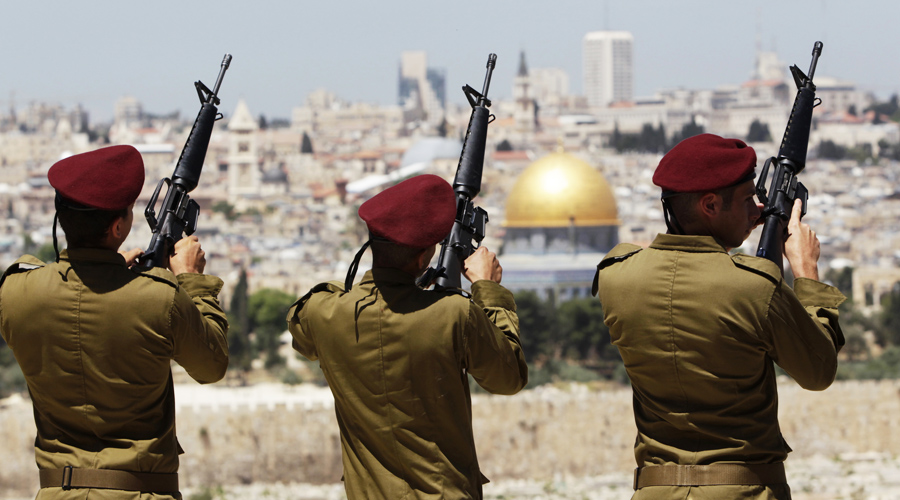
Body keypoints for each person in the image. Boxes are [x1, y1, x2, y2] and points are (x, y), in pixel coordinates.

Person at [592, 134, 844, 500]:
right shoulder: (754, 287)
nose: (757, 211)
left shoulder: (616, 276)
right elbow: (819, 371)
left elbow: (691, 278)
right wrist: (806, 272)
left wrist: (737, 228)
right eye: (746, 201)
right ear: (710, 204)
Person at [0, 145, 229, 499]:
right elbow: (211, 365)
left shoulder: (16, 292)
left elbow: (73, 299)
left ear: (62, 220)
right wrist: (191, 280)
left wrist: (105, 273)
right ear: (118, 226)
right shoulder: (160, 298)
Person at [287, 174, 527, 500]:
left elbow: (302, 327)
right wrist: (489, 289)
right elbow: (509, 377)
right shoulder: (454, 313)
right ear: (421, 258)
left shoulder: (322, 314)